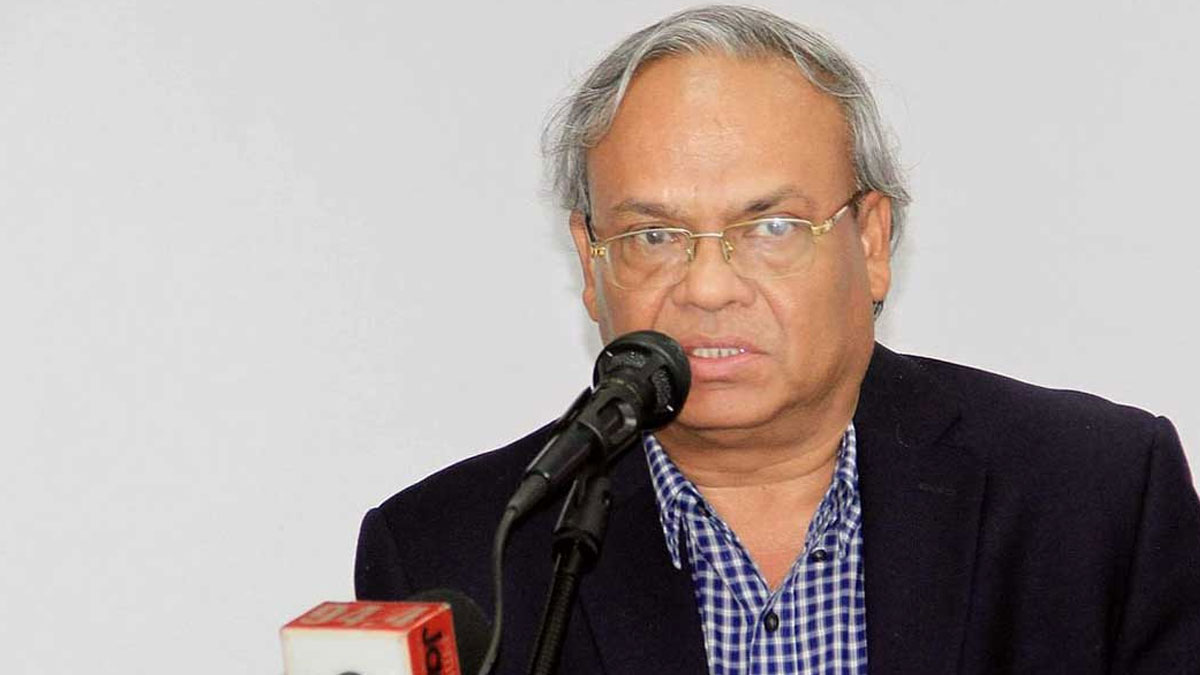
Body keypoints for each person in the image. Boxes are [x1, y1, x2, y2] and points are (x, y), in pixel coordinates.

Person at [355, 6, 1200, 673]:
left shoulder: (1097, 498)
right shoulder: (456, 554)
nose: (708, 286)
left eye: (771, 226)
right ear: (590, 259)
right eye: (654, 235)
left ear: (872, 240)